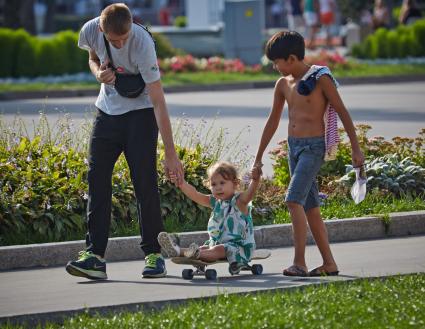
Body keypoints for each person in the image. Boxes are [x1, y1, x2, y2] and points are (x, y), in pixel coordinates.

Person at [65, 3, 184, 280]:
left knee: (144, 183)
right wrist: (98, 73)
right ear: (101, 29)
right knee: (97, 180)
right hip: (107, 113)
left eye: (124, 38)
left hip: (141, 115)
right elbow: (93, 58)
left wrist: (170, 152)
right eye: (113, 39)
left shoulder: (142, 42)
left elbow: (158, 101)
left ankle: (154, 255)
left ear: (131, 27)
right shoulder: (90, 31)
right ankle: (94, 256)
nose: (119, 43)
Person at [253, 31, 364, 277]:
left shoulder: (320, 78)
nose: (274, 67)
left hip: (314, 148)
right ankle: (329, 263)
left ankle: (299, 263)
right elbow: (272, 121)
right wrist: (258, 156)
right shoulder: (282, 84)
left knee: (293, 200)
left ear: (291, 58)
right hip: (294, 147)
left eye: (277, 62)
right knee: (311, 207)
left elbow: (342, 111)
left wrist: (356, 148)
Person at [157, 161, 261, 272]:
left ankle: (195, 254)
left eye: (222, 183)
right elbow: (195, 194)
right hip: (217, 243)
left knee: (217, 249)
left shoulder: (240, 202)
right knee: (204, 248)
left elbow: (250, 194)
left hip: (239, 247)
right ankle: (178, 251)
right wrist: (181, 183)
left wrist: (255, 180)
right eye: (214, 184)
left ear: (235, 183)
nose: (218, 188)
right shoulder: (215, 202)